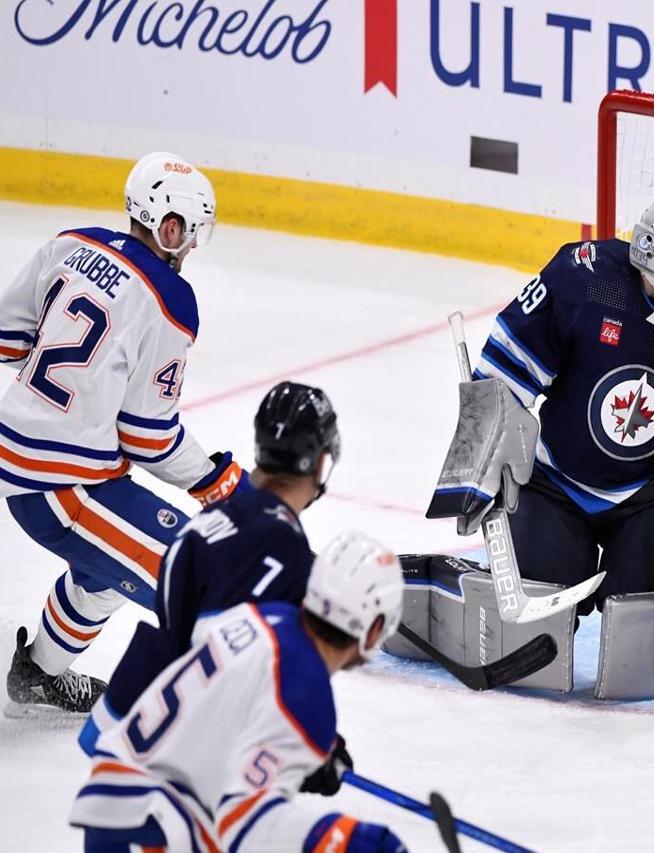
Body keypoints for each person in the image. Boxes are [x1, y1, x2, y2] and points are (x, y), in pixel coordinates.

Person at [429, 184, 654, 616]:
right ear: (650, 252)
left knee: (643, 613)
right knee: (542, 594)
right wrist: (479, 458)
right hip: (555, 483)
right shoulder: (583, 280)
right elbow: (502, 378)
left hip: (648, 498)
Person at [1, 151, 248, 713]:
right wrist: (216, 479)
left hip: (19, 456)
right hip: (66, 486)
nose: (189, 249)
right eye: (190, 234)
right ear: (169, 225)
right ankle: (231, 726)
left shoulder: (71, 244)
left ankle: (37, 673)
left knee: (105, 569)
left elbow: (8, 339)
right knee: (201, 572)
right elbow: (146, 436)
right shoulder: (169, 298)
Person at [69, 530, 407, 853]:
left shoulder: (263, 617)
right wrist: (344, 839)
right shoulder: (306, 695)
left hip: (123, 796)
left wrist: (305, 751)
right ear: (374, 628)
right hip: (155, 829)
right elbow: (245, 825)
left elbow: (226, 699)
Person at [79, 380, 341, 764]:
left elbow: (173, 647)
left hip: (124, 755)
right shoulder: (289, 559)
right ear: (319, 461)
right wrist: (312, 747)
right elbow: (250, 684)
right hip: (189, 778)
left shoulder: (198, 530)